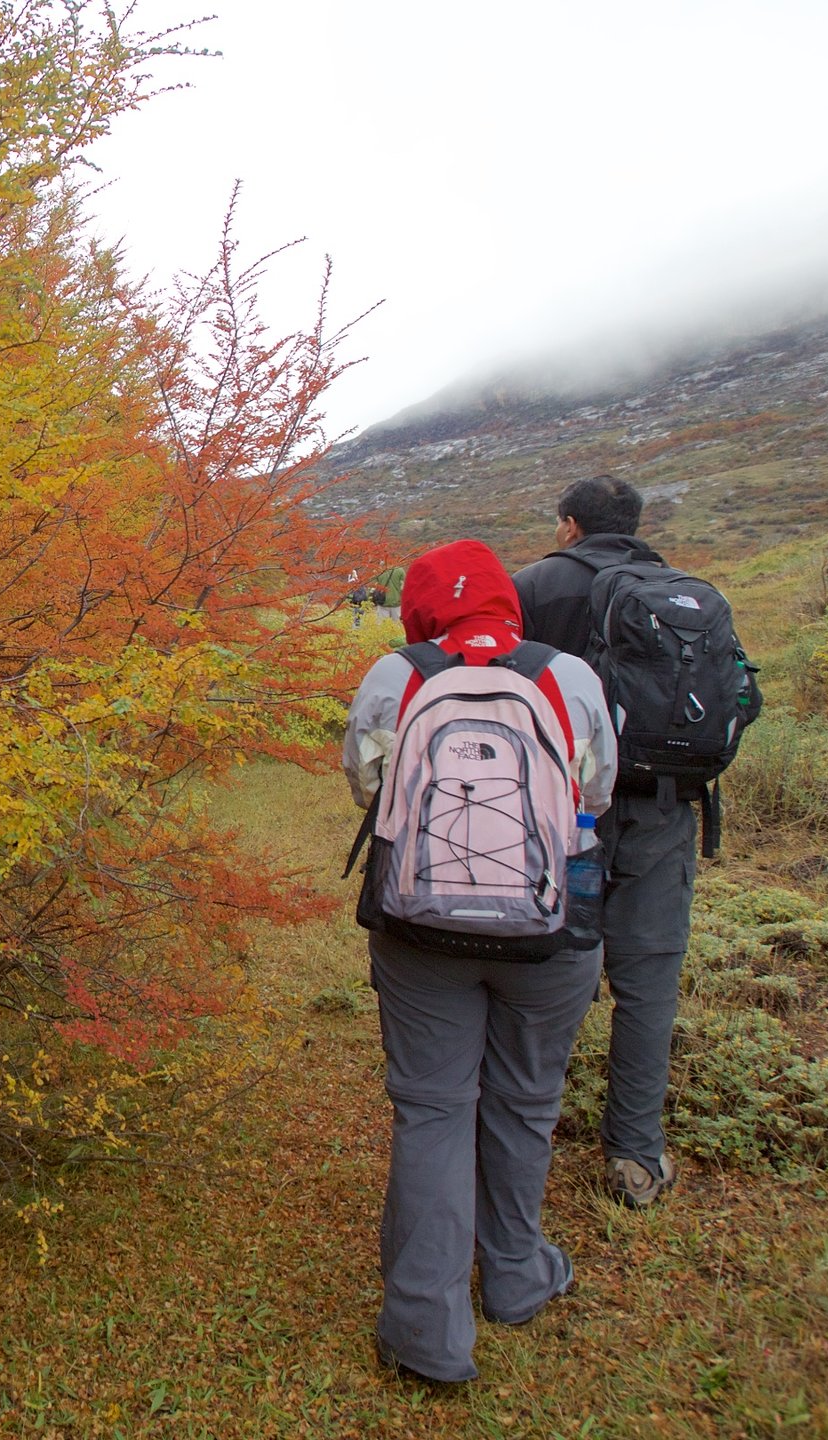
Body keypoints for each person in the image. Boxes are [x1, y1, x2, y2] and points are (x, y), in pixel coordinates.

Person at [341, 540, 617, 1385]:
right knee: (527, 1101)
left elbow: (364, 783)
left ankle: (425, 1330)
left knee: (431, 1110)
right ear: (508, 599)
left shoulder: (397, 672)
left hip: (419, 933)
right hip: (551, 928)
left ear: (421, 604)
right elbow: (597, 789)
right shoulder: (567, 675)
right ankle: (515, 1276)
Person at [512, 474, 692, 1209]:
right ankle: (636, 1156)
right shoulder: (685, 595)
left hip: (562, 810)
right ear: (637, 523)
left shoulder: (538, 586)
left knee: (545, 966)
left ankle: (524, 1125)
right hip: (663, 810)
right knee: (647, 984)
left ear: (568, 525)